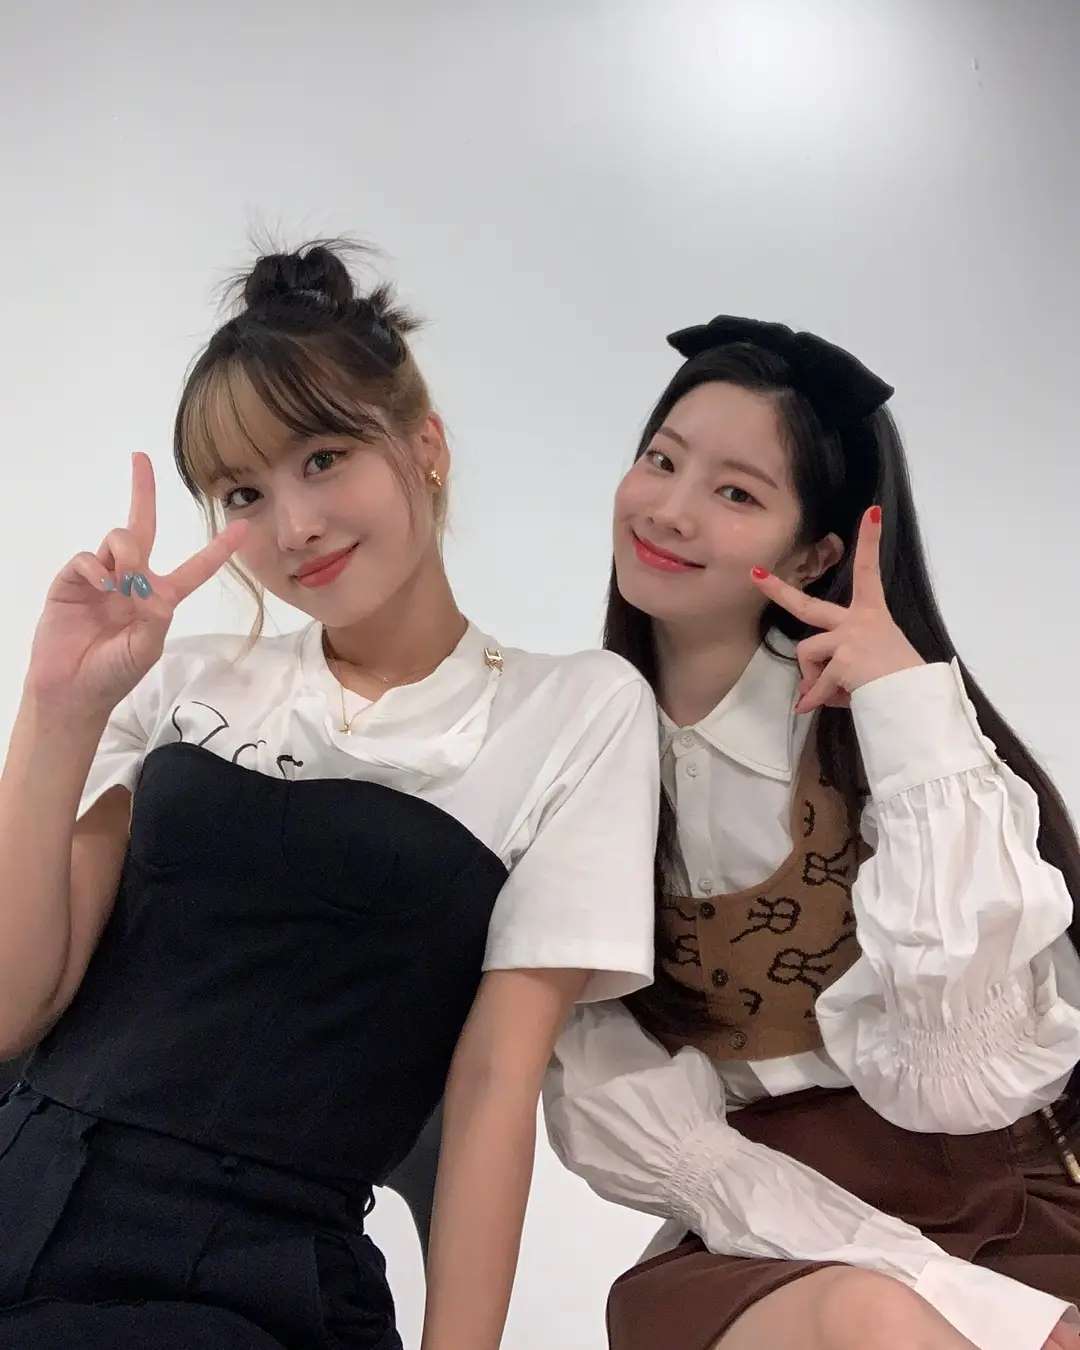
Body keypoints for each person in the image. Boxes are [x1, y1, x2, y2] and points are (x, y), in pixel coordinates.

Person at [0, 241, 659, 1349]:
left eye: (324, 457)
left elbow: (495, 1083)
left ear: (425, 446)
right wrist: (56, 707)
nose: (293, 526)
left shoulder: (573, 711)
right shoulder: (180, 679)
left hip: (253, 1275)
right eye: (244, 493)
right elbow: (14, 1010)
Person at [544, 315, 1080, 1350]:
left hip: (1005, 1199)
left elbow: (959, 1076)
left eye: (736, 493)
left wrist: (912, 712)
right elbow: (627, 1104)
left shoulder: (895, 750)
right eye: (662, 460)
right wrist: (952, 1301)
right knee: (866, 1319)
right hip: (758, 1219)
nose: (670, 510)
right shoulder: (568, 758)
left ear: (817, 551)